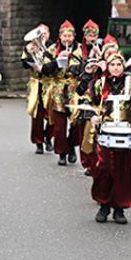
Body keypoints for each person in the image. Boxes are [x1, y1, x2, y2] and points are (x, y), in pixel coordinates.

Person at [77, 51, 131, 224]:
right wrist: (92, 115)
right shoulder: (98, 84)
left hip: (126, 131)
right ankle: (104, 205)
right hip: (106, 131)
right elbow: (87, 101)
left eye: (119, 65)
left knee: (123, 170)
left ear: (123, 67)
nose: (116, 68)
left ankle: (119, 208)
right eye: (113, 65)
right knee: (104, 168)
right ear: (107, 67)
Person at [43, 20, 79, 166]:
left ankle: (71, 145)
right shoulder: (52, 49)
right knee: (59, 125)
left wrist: (71, 59)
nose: (67, 39)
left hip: (73, 89)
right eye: (64, 36)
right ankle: (61, 152)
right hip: (58, 88)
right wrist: (57, 61)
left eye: (69, 36)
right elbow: (45, 69)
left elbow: (84, 69)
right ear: (60, 37)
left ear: (74, 36)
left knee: (77, 122)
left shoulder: (79, 50)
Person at [22, 23, 54, 155]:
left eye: (45, 33)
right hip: (36, 83)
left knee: (52, 113)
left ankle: (48, 137)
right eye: (40, 33)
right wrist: (30, 54)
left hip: (50, 83)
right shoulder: (31, 46)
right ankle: (38, 142)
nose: (42, 36)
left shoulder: (53, 47)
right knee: (37, 114)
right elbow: (24, 64)